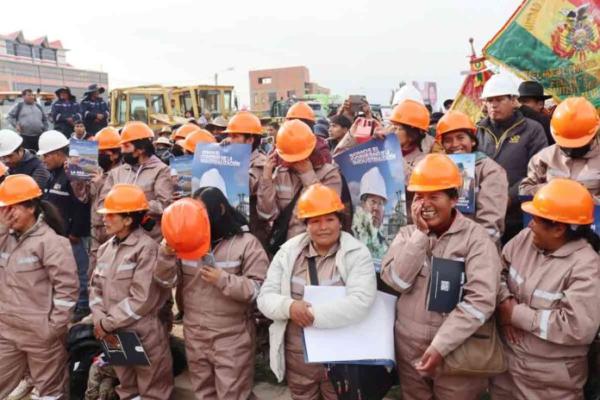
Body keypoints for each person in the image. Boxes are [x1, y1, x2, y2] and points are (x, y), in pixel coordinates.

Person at [381, 153, 501, 400]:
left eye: (434, 196)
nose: (425, 204)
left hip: (457, 350)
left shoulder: (476, 239)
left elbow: (480, 302)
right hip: (408, 347)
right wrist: (419, 237)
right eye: (419, 196)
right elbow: (396, 281)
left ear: (454, 199)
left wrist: (441, 345)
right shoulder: (407, 234)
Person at [257, 183, 377, 399]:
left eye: (330, 219)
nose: (323, 227)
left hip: (341, 359)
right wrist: (289, 307)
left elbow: (361, 302)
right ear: (305, 225)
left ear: (340, 222)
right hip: (298, 359)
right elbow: (265, 297)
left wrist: (312, 315)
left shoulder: (357, 254)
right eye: (315, 221)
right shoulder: (287, 253)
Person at [491, 179, 600, 399]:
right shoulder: (525, 239)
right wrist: (504, 302)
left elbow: (577, 328)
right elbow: (497, 270)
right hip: (506, 370)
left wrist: (515, 315)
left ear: (559, 229)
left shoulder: (587, 267)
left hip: (550, 381)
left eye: (536, 219)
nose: (529, 224)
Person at [156, 189, 269, 399]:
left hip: (232, 335)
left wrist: (223, 280)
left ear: (220, 210)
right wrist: (165, 256)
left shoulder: (245, 243)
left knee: (232, 393)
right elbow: (165, 282)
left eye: (202, 212)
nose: (196, 218)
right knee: (203, 392)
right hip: (195, 332)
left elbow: (259, 290)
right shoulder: (186, 242)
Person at [90, 184, 173, 399]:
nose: (105, 219)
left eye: (111, 215)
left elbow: (142, 299)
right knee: (127, 387)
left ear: (128, 219)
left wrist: (106, 323)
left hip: (142, 333)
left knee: (152, 390)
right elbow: (95, 288)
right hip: (112, 334)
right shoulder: (105, 249)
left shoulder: (147, 249)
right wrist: (99, 319)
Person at [0, 174, 78, 399]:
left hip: (41, 335)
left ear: (31, 208)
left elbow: (67, 290)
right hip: (7, 331)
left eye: (12, 208)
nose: (7, 214)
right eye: (4, 209)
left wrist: (53, 328)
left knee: (49, 393)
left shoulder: (51, 242)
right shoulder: (6, 237)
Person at [476, 74, 548, 243]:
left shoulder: (532, 130)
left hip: (520, 214)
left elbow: (538, 173)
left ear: (513, 100)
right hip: (485, 215)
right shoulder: (478, 131)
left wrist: (509, 197)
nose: (493, 105)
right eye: (489, 100)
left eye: (499, 99)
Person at [37, 130, 91, 322]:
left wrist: (75, 232)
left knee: (80, 270)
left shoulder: (71, 174)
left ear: (59, 153)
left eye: (46, 155)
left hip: (73, 236)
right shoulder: (53, 174)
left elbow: (82, 204)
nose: (43, 159)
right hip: (60, 235)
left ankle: (83, 306)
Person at [258, 120, 342, 241]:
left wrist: (308, 175)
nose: (294, 161)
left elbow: (325, 212)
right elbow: (267, 214)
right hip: (285, 247)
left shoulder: (329, 174)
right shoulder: (281, 172)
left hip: (315, 245)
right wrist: (266, 178)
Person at [437, 110, 509, 243]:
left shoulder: (490, 170)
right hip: (443, 247)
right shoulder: (439, 168)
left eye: (460, 137)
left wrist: (474, 249)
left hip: (476, 249)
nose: (454, 144)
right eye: (448, 140)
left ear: (473, 141)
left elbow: (490, 221)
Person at [100, 121, 173, 242]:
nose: (122, 151)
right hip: (119, 240)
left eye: (126, 146)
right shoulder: (117, 172)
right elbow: (103, 202)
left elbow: (165, 205)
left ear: (141, 149)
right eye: (121, 146)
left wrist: (137, 206)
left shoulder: (161, 171)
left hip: (150, 241)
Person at [520, 97, 600, 202]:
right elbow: (524, 190)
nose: (572, 148)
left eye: (579, 143)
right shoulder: (544, 158)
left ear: (593, 134)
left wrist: (584, 198)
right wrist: (550, 190)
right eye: (566, 144)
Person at [73, 126, 122, 276]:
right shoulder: (98, 171)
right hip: (95, 230)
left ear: (113, 155)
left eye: (102, 153)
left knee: (111, 273)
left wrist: (101, 183)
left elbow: (115, 203)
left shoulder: (123, 174)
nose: (98, 157)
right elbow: (84, 197)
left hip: (113, 230)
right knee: (92, 273)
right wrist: (77, 179)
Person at [222, 111, 269, 246]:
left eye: (235, 136)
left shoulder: (260, 162)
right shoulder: (233, 157)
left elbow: (246, 187)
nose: (229, 140)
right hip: (231, 228)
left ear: (250, 140)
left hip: (252, 232)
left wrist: (228, 160)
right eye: (229, 136)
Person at [352, 166, 389, 261]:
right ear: (363, 204)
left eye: (380, 203)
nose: (376, 208)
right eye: (373, 202)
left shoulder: (387, 242)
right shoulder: (351, 235)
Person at [518, 81, 553, 145]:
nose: (520, 105)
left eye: (525, 101)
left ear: (540, 104)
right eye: (519, 102)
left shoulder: (548, 123)